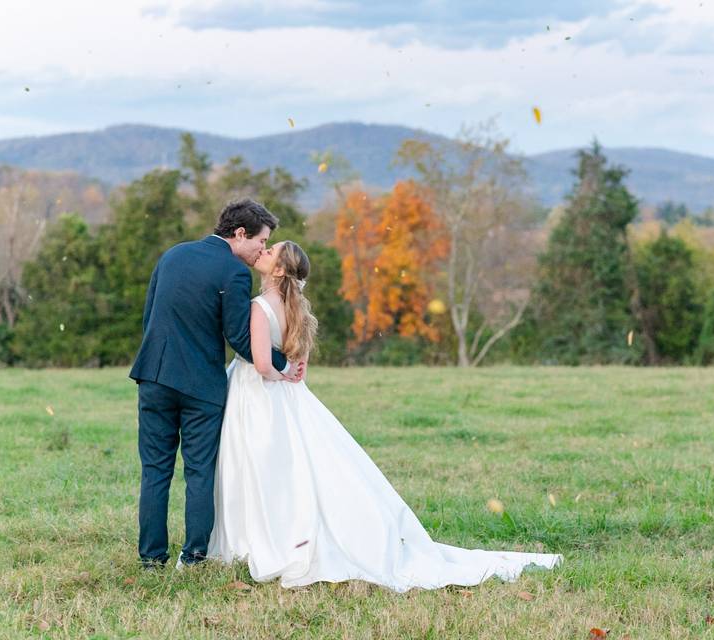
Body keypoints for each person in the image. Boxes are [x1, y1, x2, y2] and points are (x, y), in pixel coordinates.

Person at [208, 240, 561, 590]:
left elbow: (264, 363)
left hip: (257, 396)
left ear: (281, 269)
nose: (264, 252)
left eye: (271, 251)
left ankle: (254, 538)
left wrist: (278, 374)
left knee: (257, 466)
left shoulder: (258, 307)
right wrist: (290, 376)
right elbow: (301, 364)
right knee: (291, 467)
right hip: (291, 399)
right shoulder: (297, 310)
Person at [129, 199, 305, 569]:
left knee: (155, 470)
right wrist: (284, 362)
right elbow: (241, 337)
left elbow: (150, 317)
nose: (262, 249)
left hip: (154, 377)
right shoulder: (234, 273)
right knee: (199, 471)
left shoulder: (172, 255)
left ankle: (151, 559)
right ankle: (193, 556)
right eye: (261, 240)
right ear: (240, 234)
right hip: (201, 388)